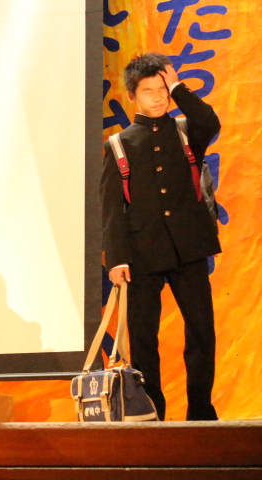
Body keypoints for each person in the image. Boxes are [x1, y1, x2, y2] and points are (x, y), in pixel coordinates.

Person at [100, 53, 221, 421]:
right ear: (131, 96)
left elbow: (210, 122)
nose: (157, 97)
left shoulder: (186, 131)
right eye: (148, 91)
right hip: (141, 254)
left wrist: (179, 86)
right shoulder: (119, 144)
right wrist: (116, 259)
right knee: (144, 339)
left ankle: (200, 411)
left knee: (201, 331)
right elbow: (111, 208)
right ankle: (153, 413)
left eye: (162, 90)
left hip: (189, 248)